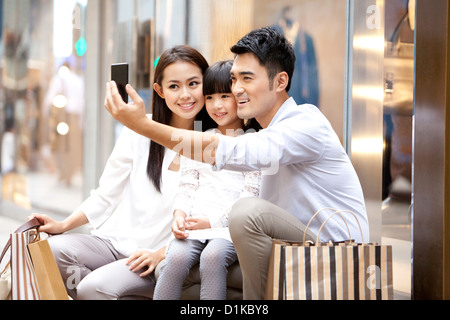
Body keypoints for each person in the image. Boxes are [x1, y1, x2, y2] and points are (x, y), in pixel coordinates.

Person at [104, 27, 370, 300]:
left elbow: (231, 151)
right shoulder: (265, 132)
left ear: (280, 82)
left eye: (247, 79)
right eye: (234, 79)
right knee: (174, 269)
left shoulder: (305, 123)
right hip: (286, 250)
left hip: (333, 258)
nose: (237, 89)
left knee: (246, 212)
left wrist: (143, 125)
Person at [28, 45, 215, 300]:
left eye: (194, 83)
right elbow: (105, 194)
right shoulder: (139, 129)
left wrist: (161, 253)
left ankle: (108, 287)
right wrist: (63, 224)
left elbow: (209, 218)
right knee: (50, 250)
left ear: (208, 84)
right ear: (159, 90)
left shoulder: (214, 142)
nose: (185, 95)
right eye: (174, 86)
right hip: (114, 244)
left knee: (91, 288)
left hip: (156, 258)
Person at [153, 60, 261, 300]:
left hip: (229, 228)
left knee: (213, 257)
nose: (216, 105)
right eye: (210, 97)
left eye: (225, 96)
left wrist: (212, 221)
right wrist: (179, 215)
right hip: (194, 224)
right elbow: (188, 184)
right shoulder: (200, 139)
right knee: (176, 257)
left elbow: (250, 195)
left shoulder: (253, 144)